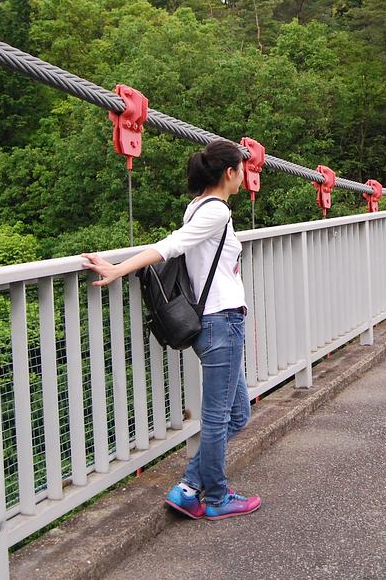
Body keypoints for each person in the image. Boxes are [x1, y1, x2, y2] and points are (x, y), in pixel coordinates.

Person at [82, 138, 261, 521]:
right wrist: (119, 269)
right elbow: (172, 246)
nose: (245, 176)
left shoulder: (196, 206)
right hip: (221, 321)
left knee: (238, 413)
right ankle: (214, 497)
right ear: (230, 173)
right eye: (241, 170)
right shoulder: (216, 213)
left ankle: (188, 488)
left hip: (213, 323)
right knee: (218, 417)